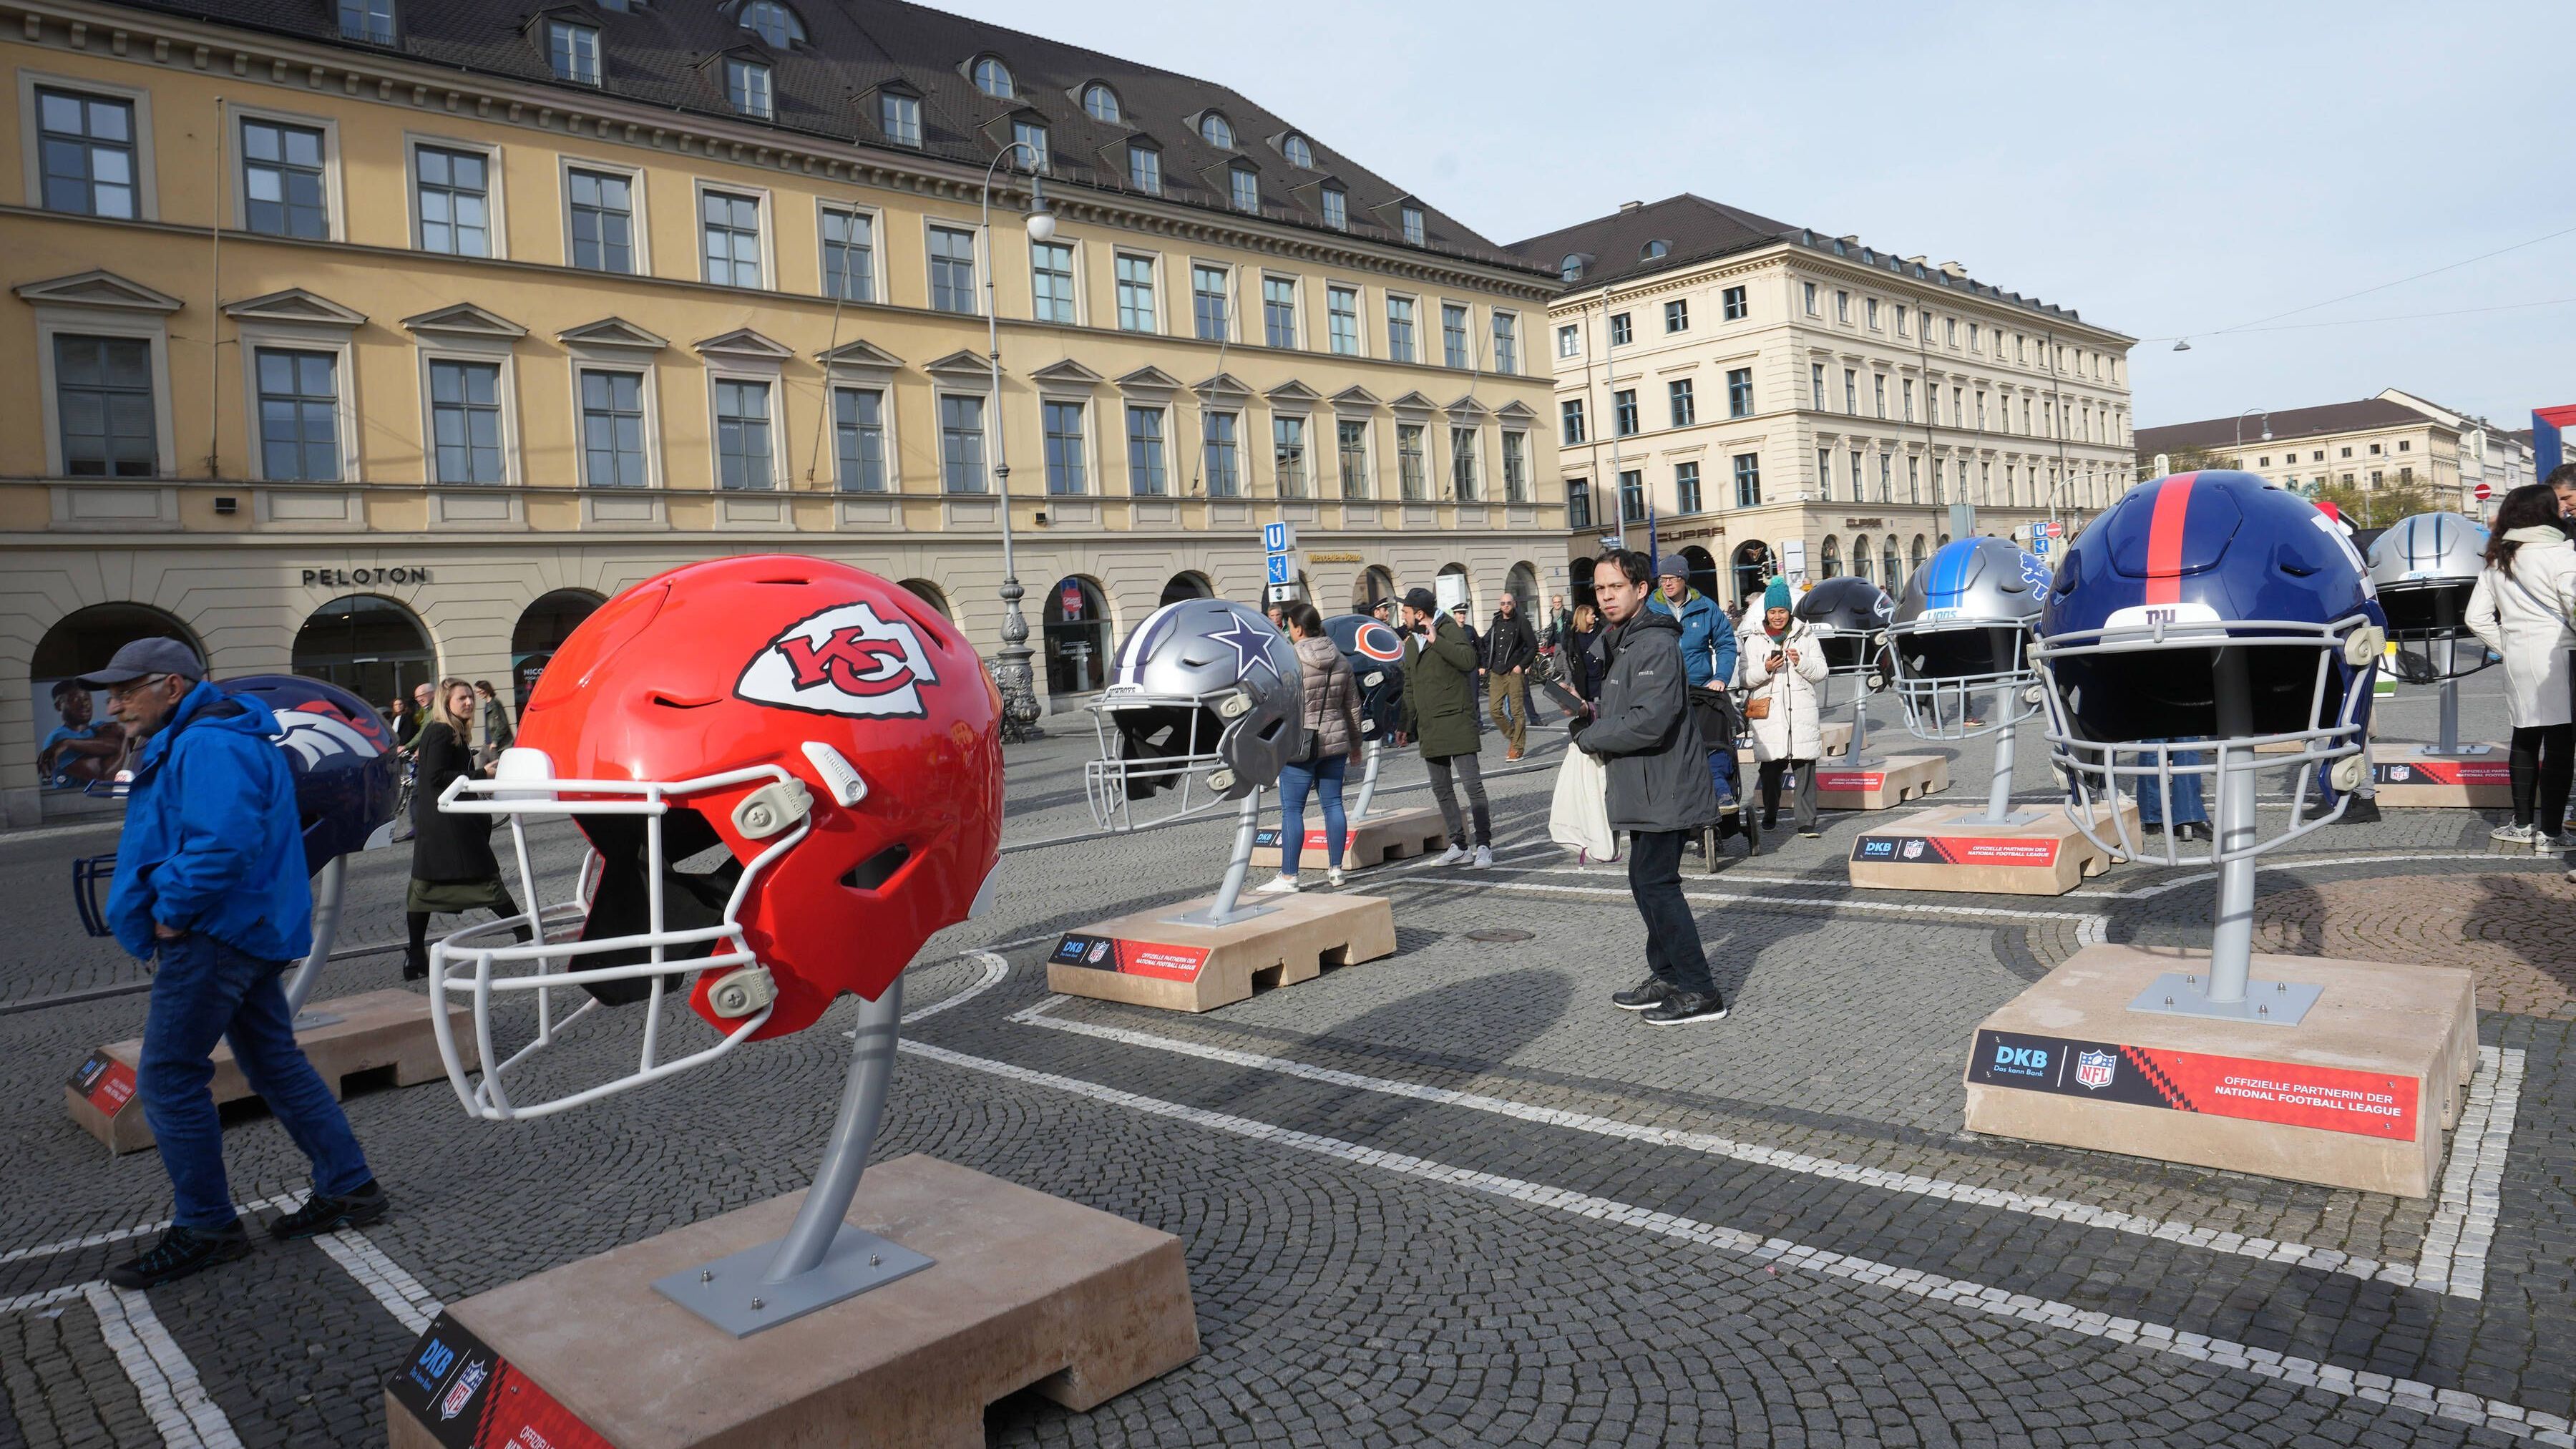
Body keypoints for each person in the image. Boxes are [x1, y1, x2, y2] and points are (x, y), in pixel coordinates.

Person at [75, 638, 386, 1289]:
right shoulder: (209, 732)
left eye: (126, 688)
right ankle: (350, 1185)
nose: (114, 702)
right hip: (242, 928)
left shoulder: (208, 740)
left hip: (215, 934)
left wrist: (176, 910)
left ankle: (208, 1226)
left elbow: (223, 841)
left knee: (167, 1078)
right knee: (273, 1060)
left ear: (172, 685)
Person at [1575, 550, 1729, 1026]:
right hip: (1644, 784)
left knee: (1659, 885)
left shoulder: (1655, 643)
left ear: (1641, 589)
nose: (1605, 596)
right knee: (1644, 881)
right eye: (1600, 589)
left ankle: (1701, 990)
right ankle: (1666, 974)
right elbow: (1625, 709)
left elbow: (1651, 720)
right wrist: (1589, 717)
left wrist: (1592, 736)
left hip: (1667, 784)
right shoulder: (1621, 642)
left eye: (1615, 587)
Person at [2465, 482, 2576, 849]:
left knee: (2525, 738)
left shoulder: (2498, 558)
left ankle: (2522, 824)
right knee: (2561, 746)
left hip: (2519, 658)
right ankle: (2552, 832)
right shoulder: (2561, 555)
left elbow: (2475, 618)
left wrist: (2508, 646)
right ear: (2544, 512)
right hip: (2559, 658)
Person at [403, 678, 535, 979]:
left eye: (469, 698)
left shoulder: (451, 732)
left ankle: (415, 956)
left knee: (424, 889)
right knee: (484, 879)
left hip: (446, 825)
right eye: (461, 698)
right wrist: (481, 773)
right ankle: (525, 934)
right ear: (446, 702)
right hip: (448, 826)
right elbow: (437, 777)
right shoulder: (440, 732)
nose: (468, 702)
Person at [1261, 602, 1367, 892]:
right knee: (1333, 804)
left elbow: (1278, 704)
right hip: (1335, 743)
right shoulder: (1342, 659)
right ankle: (1336, 869)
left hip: (1300, 744)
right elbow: (1353, 708)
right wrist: (1356, 745)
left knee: (1292, 810)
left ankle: (1289, 876)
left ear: (1297, 628)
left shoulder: (1291, 659)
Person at [1398, 587, 1492, 867]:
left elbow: (1468, 661)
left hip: (1456, 720)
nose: (1402, 617)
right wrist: (1405, 723)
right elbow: (1409, 684)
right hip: (1429, 725)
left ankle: (1485, 845)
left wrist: (1437, 640)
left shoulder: (1449, 628)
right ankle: (1459, 845)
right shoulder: (1411, 641)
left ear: (1419, 613)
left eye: (1405, 612)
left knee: (1472, 786)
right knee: (1441, 788)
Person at [1646, 560, 1742, 811]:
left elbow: (1725, 644)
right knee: (1670, 752)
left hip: (1701, 692)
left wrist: (1721, 676)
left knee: (1712, 742)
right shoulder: (1649, 609)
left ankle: (1721, 789)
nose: (1666, 583)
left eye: (1672, 578)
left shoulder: (1706, 607)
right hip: (1662, 693)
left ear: (1684, 579)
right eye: (1662, 578)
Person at [1739, 577, 1830, 837]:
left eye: (1782, 611)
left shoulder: (1805, 633)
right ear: (1766, 613)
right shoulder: (1755, 638)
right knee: (1770, 770)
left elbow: (1822, 670)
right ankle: (1770, 811)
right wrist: (1766, 669)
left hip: (1801, 711)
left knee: (1805, 769)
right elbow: (1744, 678)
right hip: (1770, 715)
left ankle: (1806, 822)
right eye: (1773, 612)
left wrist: (1801, 662)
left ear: (1789, 611)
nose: (1778, 616)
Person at [39, 678, 126, 789]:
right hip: (72, 800)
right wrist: (122, 740)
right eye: (76, 700)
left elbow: (114, 743)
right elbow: (103, 777)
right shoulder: (57, 738)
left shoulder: (98, 726)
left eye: (86, 698)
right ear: (58, 705)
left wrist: (68, 743)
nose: (84, 704)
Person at [1483, 592, 1540, 761]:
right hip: (1497, 672)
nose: (1506, 606)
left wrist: (1521, 666)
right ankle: (1514, 735)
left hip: (1514, 672)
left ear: (1514, 604)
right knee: (1494, 710)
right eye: (1503, 603)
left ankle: (1517, 748)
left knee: (1516, 712)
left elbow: (1533, 647)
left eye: (1508, 603)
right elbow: (1487, 642)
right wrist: (1485, 661)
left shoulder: (1522, 622)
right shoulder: (1496, 621)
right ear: (1500, 605)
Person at [1563, 602, 1604, 703]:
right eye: (1591, 614)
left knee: (1604, 707)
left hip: (1600, 674)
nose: (1594, 616)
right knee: (1586, 707)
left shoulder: (1600, 629)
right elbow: (1570, 655)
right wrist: (1574, 674)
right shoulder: (1573, 633)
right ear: (1583, 617)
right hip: (1584, 676)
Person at [473, 680, 514, 768]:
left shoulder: (495, 704)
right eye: (476, 692)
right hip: (487, 744)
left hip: (495, 745)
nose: (478, 694)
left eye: (479, 691)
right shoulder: (488, 703)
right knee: (479, 770)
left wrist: (495, 742)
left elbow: (503, 725)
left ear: (485, 690)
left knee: (497, 771)